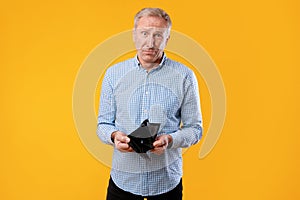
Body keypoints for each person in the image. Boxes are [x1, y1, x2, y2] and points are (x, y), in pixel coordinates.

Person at [97, 7, 203, 200]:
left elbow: (195, 129)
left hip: (166, 183)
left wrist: (170, 140)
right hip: (123, 181)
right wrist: (113, 136)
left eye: (158, 35)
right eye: (144, 33)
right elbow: (103, 125)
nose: (150, 43)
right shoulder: (113, 75)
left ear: (167, 39)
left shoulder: (185, 76)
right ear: (134, 35)